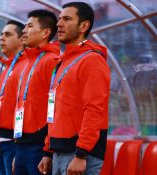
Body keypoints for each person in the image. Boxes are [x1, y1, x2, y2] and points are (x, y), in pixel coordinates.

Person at [39, 2, 110, 175]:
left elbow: (94, 109)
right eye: (59, 19)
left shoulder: (92, 60)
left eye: (67, 19)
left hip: (79, 155)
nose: (59, 24)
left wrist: (82, 154)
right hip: (59, 152)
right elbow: (54, 110)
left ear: (84, 26)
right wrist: (48, 150)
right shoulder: (63, 62)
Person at [13, 9, 60, 175]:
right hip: (21, 144)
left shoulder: (52, 61)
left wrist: (47, 150)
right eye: (25, 26)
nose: (24, 30)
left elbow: (56, 106)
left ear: (46, 32)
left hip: (39, 145)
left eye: (30, 26)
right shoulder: (28, 62)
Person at [0, 20, 26, 175]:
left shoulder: (25, 66)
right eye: (1, 34)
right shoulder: (5, 68)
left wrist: (20, 147)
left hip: (13, 142)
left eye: (8, 34)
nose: (2, 38)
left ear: (21, 39)